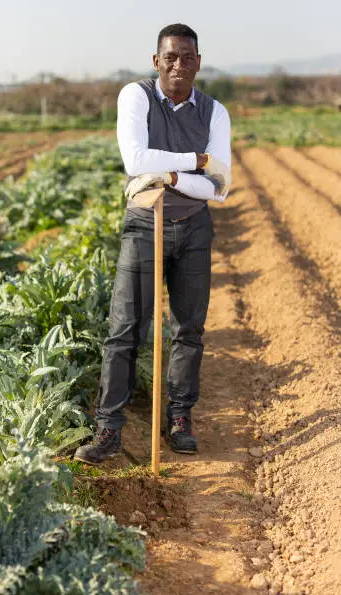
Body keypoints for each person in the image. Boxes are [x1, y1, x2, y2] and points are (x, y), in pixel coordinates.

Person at [75, 23, 231, 464]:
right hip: (146, 225)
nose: (178, 64)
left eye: (187, 57)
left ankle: (180, 419)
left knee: (189, 331)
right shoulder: (136, 96)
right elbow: (135, 160)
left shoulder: (215, 113)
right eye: (171, 56)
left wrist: (174, 176)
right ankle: (109, 430)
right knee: (125, 331)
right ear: (156, 60)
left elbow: (219, 187)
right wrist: (196, 163)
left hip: (195, 229)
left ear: (198, 62)